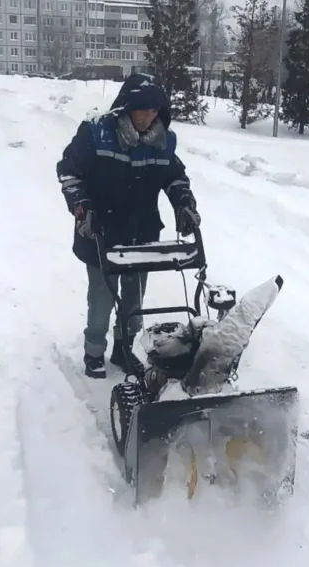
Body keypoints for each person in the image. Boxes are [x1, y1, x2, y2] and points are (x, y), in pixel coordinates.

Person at [56, 74, 201, 379]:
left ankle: (124, 349)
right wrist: (83, 208)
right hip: (100, 233)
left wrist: (183, 202)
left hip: (141, 235)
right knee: (102, 300)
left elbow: (174, 176)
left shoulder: (162, 140)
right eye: (143, 110)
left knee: (134, 301)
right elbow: (69, 173)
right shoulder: (97, 133)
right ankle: (93, 352)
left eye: (155, 111)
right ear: (125, 108)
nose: (149, 116)